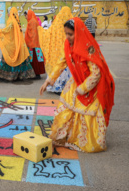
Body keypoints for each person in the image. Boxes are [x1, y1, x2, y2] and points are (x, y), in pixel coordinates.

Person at [40, 18, 115, 153]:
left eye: (70, 34)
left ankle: (82, 140)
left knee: (85, 115)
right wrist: (49, 80)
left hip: (90, 86)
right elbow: (61, 62)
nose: (67, 37)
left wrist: (82, 89)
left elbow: (96, 73)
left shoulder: (89, 48)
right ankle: (64, 136)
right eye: (66, 34)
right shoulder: (68, 45)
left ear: (78, 33)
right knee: (65, 109)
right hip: (76, 82)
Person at [38, 7, 73, 93]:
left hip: (57, 53)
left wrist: (40, 30)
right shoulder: (71, 24)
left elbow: (48, 34)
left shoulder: (57, 23)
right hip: (68, 53)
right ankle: (68, 86)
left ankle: (56, 85)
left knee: (59, 66)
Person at [0, 7, 35, 81]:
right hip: (19, 44)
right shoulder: (17, 21)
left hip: (12, 45)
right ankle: (22, 75)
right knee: (21, 60)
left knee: (8, 58)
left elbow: (6, 31)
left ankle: (8, 76)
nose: (8, 14)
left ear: (10, 13)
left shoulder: (11, 21)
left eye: (8, 12)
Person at [25, 10, 45, 79]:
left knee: (34, 60)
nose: (26, 16)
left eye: (27, 15)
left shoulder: (32, 21)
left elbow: (32, 34)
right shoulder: (33, 20)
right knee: (36, 59)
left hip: (33, 44)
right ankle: (37, 74)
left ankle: (36, 74)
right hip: (36, 43)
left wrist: (30, 41)